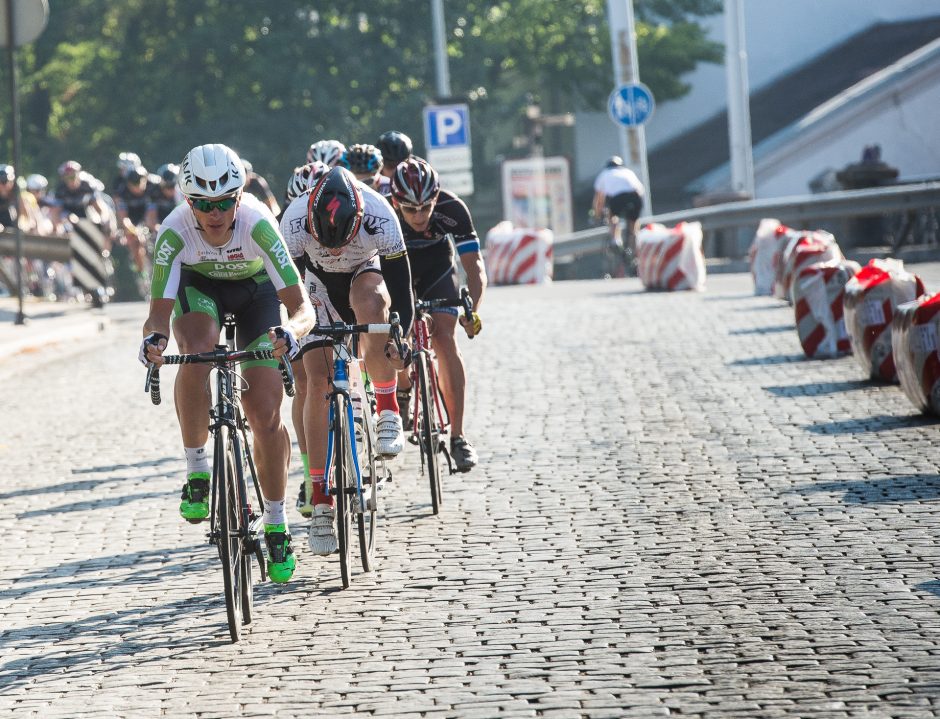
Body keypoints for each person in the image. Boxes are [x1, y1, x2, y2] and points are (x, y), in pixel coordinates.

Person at [139, 143, 315, 584]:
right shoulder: (175, 232)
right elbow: (158, 314)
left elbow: (302, 308)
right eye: (202, 203)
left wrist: (290, 334)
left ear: (239, 197)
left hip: (256, 293)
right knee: (196, 351)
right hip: (199, 290)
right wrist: (153, 340)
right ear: (187, 201)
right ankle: (198, 468)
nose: (214, 213)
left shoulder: (258, 225)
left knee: (264, 412)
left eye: (223, 202)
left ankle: (276, 522)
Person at [279, 166, 413, 553]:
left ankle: (387, 408)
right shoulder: (293, 221)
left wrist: (398, 332)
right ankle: (321, 499)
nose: (335, 247)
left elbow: (400, 282)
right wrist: (285, 336)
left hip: (363, 271)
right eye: (327, 240)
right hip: (314, 284)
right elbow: (285, 289)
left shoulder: (379, 214)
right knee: (316, 379)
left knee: (372, 304)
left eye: (341, 239)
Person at [389, 157, 485, 473]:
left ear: (436, 198)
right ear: (395, 202)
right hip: (398, 272)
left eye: (425, 208)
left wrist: (473, 310)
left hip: (437, 270)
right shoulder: (384, 213)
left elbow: (474, 267)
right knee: (393, 336)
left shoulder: (452, 209)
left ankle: (457, 436)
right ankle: (402, 387)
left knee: (444, 339)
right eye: (410, 209)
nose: (419, 216)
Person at [592, 156, 645, 276]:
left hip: (618, 199)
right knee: (633, 226)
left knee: (612, 216)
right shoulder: (628, 172)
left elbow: (598, 200)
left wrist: (597, 215)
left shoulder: (604, 174)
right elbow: (641, 190)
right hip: (635, 197)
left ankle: (616, 240)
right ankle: (635, 250)